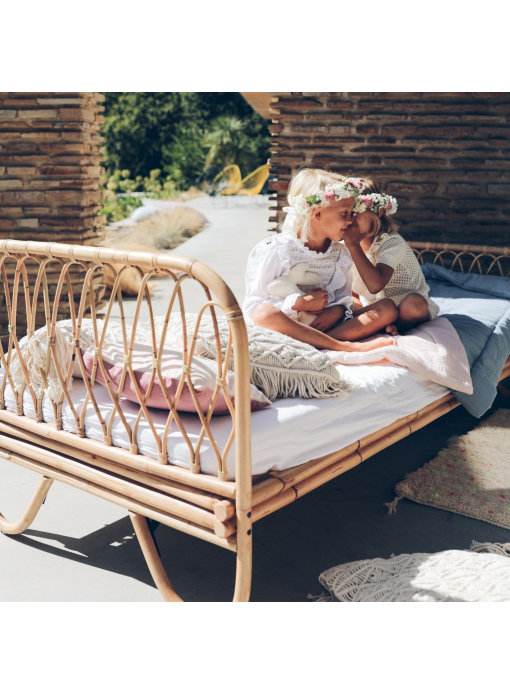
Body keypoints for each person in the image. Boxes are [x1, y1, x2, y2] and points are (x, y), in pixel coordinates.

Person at [242, 169, 397, 352]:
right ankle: (342, 345)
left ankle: (321, 340)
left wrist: (337, 311)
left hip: (326, 325)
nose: (350, 221)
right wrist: (298, 304)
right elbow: (252, 307)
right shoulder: (277, 250)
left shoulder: (341, 255)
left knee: (387, 308)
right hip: (286, 324)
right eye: (345, 213)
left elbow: (344, 297)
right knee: (263, 313)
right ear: (317, 214)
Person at [344, 179, 439, 336]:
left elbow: (376, 285)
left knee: (414, 304)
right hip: (378, 310)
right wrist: (358, 309)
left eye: (355, 213)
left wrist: (353, 246)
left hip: (406, 307)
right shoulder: (344, 246)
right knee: (345, 306)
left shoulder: (392, 242)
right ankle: (382, 324)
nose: (349, 221)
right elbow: (353, 294)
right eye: (345, 213)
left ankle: (394, 327)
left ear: (378, 212)